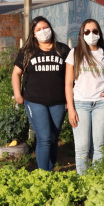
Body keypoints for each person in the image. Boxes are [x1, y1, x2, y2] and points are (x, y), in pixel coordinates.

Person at [11, 16, 70, 171]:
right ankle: (44, 174)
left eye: (45, 28)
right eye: (38, 29)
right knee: (44, 138)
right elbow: (16, 73)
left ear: (51, 29)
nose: (43, 31)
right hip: (35, 101)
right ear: (34, 34)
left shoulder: (63, 50)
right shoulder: (27, 52)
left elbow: (72, 75)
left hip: (58, 101)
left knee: (53, 138)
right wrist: (18, 94)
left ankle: (50, 168)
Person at [65, 19, 104, 174]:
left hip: (102, 104)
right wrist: (70, 109)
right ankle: (83, 182)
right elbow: (68, 83)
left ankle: (97, 180)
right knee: (81, 147)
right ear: (82, 34)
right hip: (80, 104)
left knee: (99, 145)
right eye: (87, 32)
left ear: (99, 33)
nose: (91, 34)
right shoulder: (74, 53)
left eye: (95, 31)